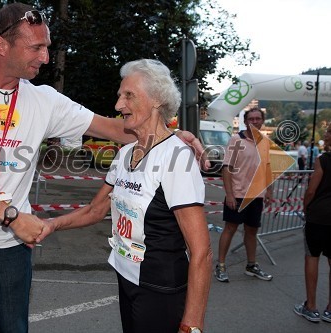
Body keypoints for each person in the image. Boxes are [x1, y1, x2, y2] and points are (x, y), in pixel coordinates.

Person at [0, 3, 207, 332]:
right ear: (2, 45)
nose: (45, 57)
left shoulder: (46, 100)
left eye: (47, 47)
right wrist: (11, 215)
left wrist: (170, 134)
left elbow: (110, 127)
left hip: (10, 248)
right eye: (36, 47)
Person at [38, 59, 212, 333]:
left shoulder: (176, 157)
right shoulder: (123, 154)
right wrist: (51, 224)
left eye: (128, 95)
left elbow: (201, 251)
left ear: (157, 100)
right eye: (120, 96)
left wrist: (193, 325)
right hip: (126, 276)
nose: (119, 105)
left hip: (160, 286)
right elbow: (95, 210)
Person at [214, 107, 274, 283]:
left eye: (258, 119)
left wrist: (269, 190)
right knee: (230, 229)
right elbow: (227, 169)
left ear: (262, 121)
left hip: (256, 195)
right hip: (238, 194)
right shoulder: (236, 139)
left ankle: (251, 265)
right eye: (251, 119)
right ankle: (221, 265)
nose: (255, 122)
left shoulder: (265, 142)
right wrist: (230, 195)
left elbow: (268, 168)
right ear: (246, 121)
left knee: (251, 231)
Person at [294, 123, 331, 323]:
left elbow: (311, 191)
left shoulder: (323, 160)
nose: (325, 134)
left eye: (328, 132)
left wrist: (306, 208)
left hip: (319, 216)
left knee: (312, 257)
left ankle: (311, 306)